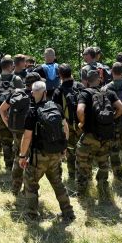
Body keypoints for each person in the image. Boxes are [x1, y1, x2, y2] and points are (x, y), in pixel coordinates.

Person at [17, 80, 74, 222]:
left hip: (39, 156)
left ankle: (32, 215)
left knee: (31, 183)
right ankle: (68, 212)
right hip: (55, 153)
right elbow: (65, 128)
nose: (31, 93)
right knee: (57, 183)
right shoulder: (56, 106)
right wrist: (64, 147)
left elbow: (27, 137)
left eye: (32, 91)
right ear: (46, 92)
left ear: (35, 93)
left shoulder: (32, 111)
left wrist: (22, 155)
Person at [75, 67, 122, 198]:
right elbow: (121, 108)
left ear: (86, 81)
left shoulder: (84, 93)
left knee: (82, 164)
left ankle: (82, 193)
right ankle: (103, 190)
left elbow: (80, 110)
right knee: (103, 164)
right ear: (100, 79)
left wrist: (82, 122)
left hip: (90, 136)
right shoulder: (109, 92)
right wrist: (111, 119)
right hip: (106, 135)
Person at [0, 72, 39, 196]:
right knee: (32, 160)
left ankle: (15, 189)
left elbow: (2, 109)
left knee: (18, 158)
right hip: (33, 133)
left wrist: (9, 125)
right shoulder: (38, 94)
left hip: (18, 132)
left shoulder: (16, 93)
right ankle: (29, 190)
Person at [0, 57, 24, 168]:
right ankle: (17, 164)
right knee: (17, 139)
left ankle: (8, 165)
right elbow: (22, 96)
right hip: (15, 114)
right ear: (9, 66)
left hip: (1, 114)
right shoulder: (17, 79)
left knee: (5, 141)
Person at [51, 64, 81, 180]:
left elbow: (55, 111)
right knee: (83, 149)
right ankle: (83, 173)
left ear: (60, 75)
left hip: (67, 125)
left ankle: (72, 174)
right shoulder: (80, 86)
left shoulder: (58, 90)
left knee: (69, 149)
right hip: (81, 124)